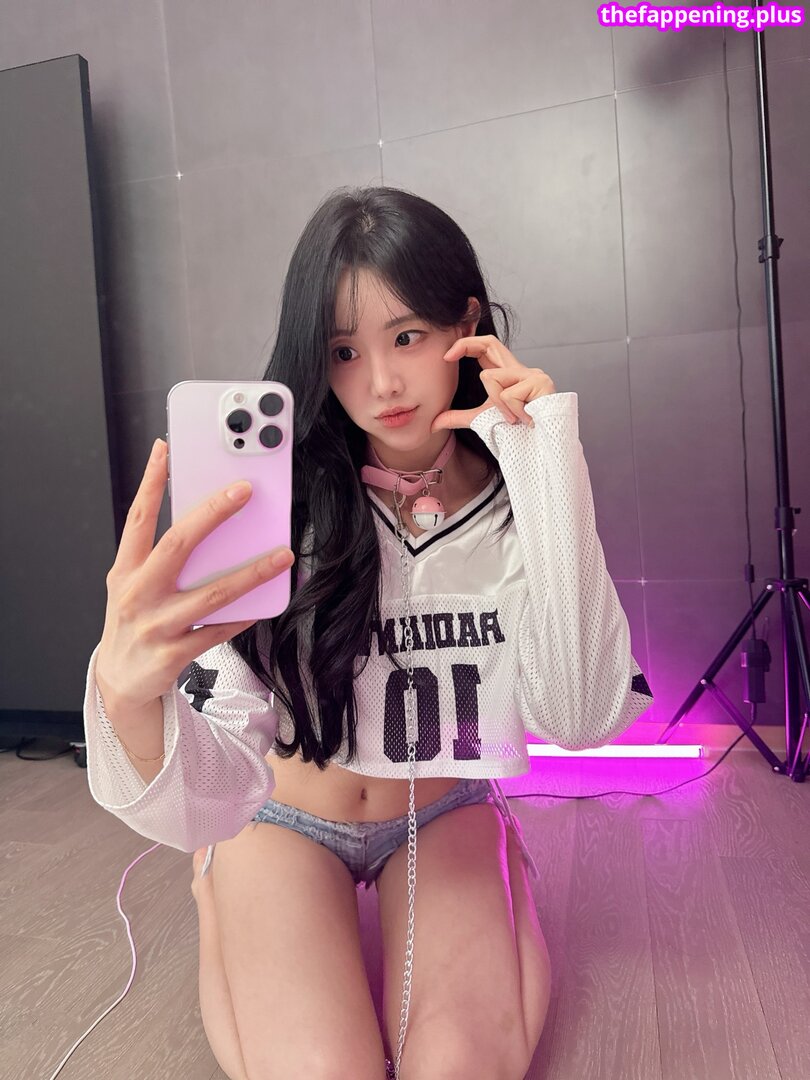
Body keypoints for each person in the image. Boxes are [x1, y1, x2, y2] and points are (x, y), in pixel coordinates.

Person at [83, 185, 654, 1080]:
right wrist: (126, 694)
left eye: (408, 337)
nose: (380, 383)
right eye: (343, 351)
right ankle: (224, 887)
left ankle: (495, 869)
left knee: (457, 1068)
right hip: (278, 817)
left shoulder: (521, 492)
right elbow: (209, 779)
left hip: (443, 812)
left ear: (466, 323)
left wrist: (546, 461)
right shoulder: (276, 502)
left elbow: (579, 718)